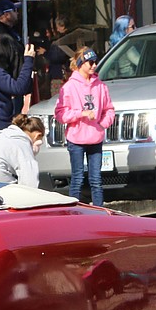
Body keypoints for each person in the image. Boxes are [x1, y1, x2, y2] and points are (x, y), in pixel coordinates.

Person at [54, 48, 115, 206]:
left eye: (96, 62)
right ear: (81, 64)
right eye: (91, 62)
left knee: (96, 180)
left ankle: (99, 214)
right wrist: (81, 113)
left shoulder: (100, 86)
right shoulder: (69, 87)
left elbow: (109, 110)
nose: (94, 65)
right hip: (76, 139)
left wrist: (102, 124)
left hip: (95, 137)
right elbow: (60, 114)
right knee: (77, 178)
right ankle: (75, 213)